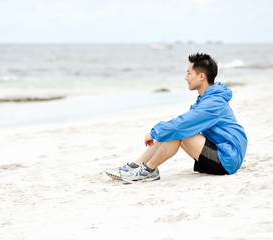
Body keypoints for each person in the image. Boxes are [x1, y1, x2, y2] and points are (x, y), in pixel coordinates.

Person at [105, 53, 247, 183]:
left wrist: (154, 132)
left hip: (227, 159)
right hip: (222, 153)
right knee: (175, 130)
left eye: (189, 73)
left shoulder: (214, 103)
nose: (186, 78)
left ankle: (148, 170)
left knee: (178, 131)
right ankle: (135, 166)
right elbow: (183, 122)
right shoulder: (206, 99)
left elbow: (181, 125)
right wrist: (160, 131)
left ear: (201, 76)